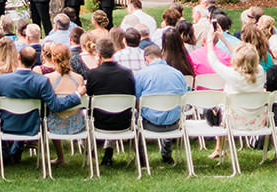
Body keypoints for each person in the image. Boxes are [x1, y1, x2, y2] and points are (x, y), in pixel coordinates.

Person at [0, 44, 81, 165]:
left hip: (8, 123)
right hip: (32, 124)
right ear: (35, 61)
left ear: (18, 57)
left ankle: (6, 156)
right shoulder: (41, 81)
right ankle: (14, 152)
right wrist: (77, 95)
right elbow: (56, 106)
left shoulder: (3, 79)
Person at [82, 35, 136, 165]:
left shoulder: (93, 74)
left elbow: (89, 96)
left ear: (98, 54)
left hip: (100, 122)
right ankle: (108, 152)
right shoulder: (127, 73)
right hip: (124, 121)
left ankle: (91, 152)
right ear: (115, 52)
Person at [133, 44, 189, 164]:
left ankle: (141, 157)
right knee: (171, 109)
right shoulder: (178, 74)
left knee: (136, 114)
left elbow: (136, 101)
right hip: (174, 123)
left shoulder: (141, 75)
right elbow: (184, 98)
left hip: (149, 124)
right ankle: (166, 153)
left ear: (146, 59)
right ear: (161, 56)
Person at [40, 42, 86, 167]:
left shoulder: (47, 78)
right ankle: (87, 154)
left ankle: (61, 157)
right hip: (77, 124)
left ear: (53, 59)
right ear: (69, 57)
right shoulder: (79, 78)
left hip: (54, 126)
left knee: (53, 115)